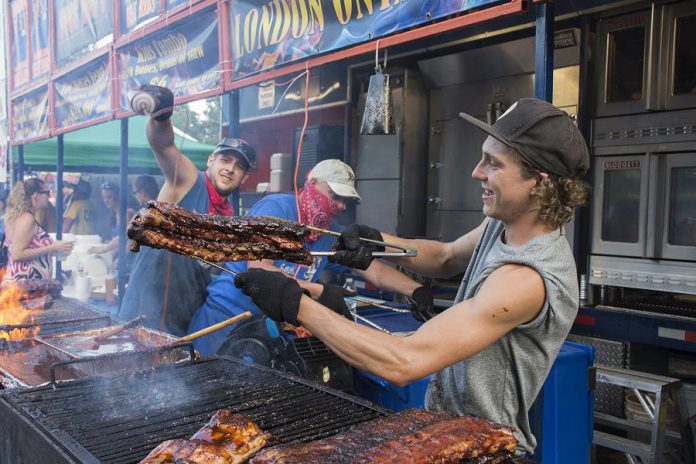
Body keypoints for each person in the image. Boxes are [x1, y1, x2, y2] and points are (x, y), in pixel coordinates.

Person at [232, 98, 590, 455]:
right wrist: (378, 242)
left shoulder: (526, 279)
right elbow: (447, 256)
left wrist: (295, 303)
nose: (477, 172)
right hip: (445, 429)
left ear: (538, 183)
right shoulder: (500, 225)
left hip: (483, 449)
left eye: (494, 164)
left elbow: (403, 361)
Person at [188, 158, 434, 357]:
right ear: (312, 183)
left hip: (264, 330)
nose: (339, 206)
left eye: (344, 201)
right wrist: (320, 291)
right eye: (334, 196)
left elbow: (375, 270)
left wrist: (416, 291)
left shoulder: (329, 233)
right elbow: (259, 270)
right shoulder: (277, 209)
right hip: (224, 319)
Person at [118, 85, 256, 336]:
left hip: (185, 325)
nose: (230, 169)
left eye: (239, 167)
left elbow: (211, 270)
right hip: (142, 319)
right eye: (225, 160)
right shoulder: (189, 180)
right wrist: (161, 115)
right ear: (211, 160)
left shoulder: (229, 218)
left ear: (244, 177)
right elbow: (163, 145)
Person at [2, 178, 74, 281]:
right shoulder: (27, 218)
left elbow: (27, 248)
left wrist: (53, 249)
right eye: (46, 192)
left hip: (25, 284)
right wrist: (52, 247)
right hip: (27, 286)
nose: (49, 196)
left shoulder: (19, 216)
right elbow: (17, 254)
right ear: (35, 195)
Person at [88, 182, 134, 255]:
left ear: (118, 196)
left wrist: (102, 249)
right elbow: (115, 241)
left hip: (127, 258)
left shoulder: (128, 213)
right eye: (104, 197)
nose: (106, 200)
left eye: (109, 197)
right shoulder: (113, 214)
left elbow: (128, 239)